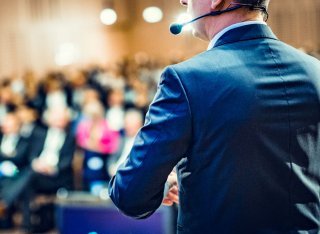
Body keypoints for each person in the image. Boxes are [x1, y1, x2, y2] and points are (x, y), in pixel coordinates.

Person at [109, 0, 320, 233]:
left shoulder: (186, 80)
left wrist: (164, 184)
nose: (183, 1)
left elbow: (130, 193)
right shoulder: (315, 72)